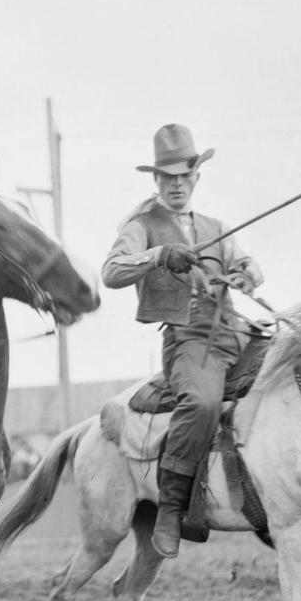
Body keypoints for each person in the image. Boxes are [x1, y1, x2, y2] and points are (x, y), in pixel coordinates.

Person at [102, 124, 265, 557]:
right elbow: (112, 271)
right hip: (189, 339)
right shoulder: (142, 225)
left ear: (197, 177)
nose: (177, 185)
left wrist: (243, 275)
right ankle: (172, 506)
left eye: (184, 176)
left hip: (235, 328)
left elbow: (251, 267)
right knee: (204, 403)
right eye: (167, 177)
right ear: (156, 180)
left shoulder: (216, 227)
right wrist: (158, 255)